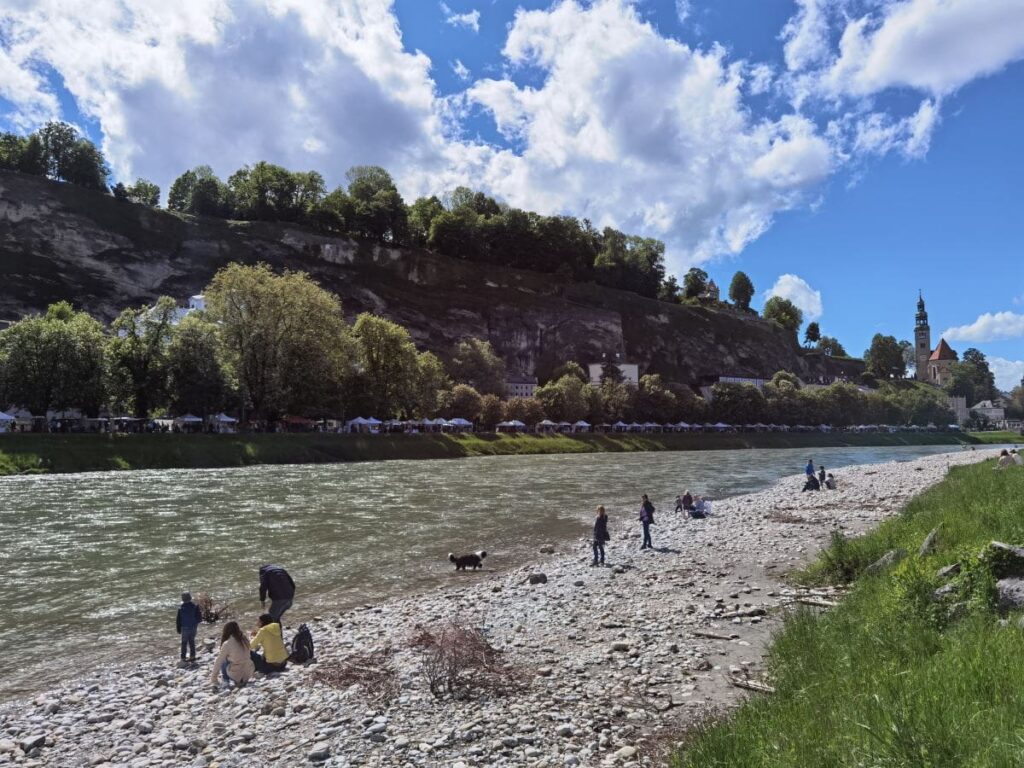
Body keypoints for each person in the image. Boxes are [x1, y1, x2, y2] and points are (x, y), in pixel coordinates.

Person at [211, 621, 255, 688]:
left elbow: (218, 661)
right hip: (249, 672)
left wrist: (214, 678)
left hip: (236, 674)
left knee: (223, 659)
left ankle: (226, 680)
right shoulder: (244, 639)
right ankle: (241, 680)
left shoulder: (227, 643)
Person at [176, 592, 202, 664]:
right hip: (193, 626)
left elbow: (178, 620)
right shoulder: (195, 606)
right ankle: (192, 656)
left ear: (182, 599)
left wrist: (178, 629)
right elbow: (199, 618)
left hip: (184, 628)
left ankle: (183, 657)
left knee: (184, 643)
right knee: (192, 641)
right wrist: (196, 622)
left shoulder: (180, 608)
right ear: (190, 598)